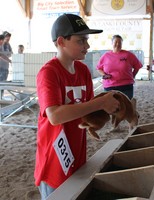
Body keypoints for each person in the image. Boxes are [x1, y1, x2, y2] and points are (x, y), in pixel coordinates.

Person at [34, 13, 120, 200]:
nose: (87, 46)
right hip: (55, 161)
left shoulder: (82, 70)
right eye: (81, 41)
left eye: (87, 40)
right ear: (61, 41)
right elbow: (55, 116)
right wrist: (99, 103)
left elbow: (88, 111)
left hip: (78, 155)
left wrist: (109, 109)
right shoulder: (48, 72)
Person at [96, 35, 142, 99]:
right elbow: (99, 68)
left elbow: (137, 66)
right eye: (116, 42)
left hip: (126, 85)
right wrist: (104, 75)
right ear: (112, 43)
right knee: (110, 106)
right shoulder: (106, 56)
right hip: (109, 86)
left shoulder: (128, 54)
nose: (117, 44)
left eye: (120, 43)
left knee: (126, 106)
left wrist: (133, 75)